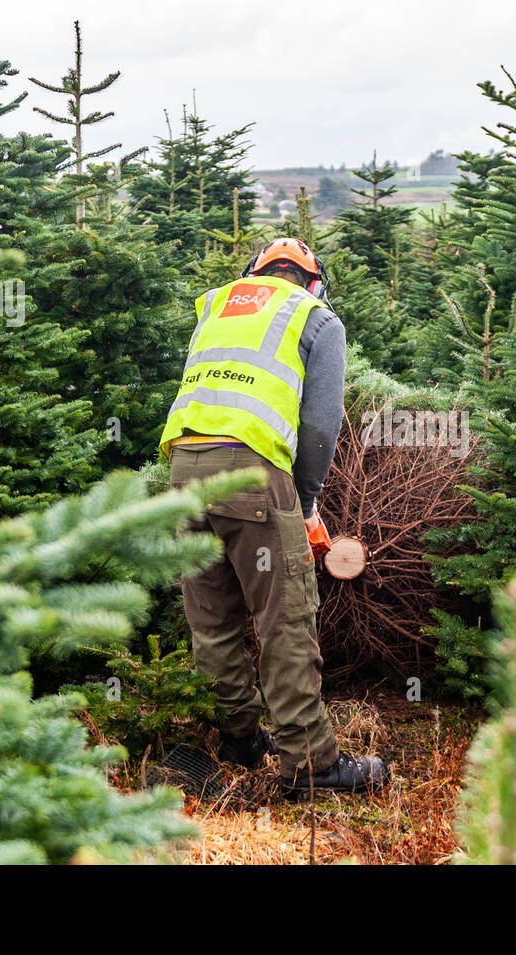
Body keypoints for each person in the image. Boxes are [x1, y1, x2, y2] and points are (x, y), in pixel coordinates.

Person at [161, 237, 391, 796]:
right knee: (285, 618)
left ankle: (237, 740)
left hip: (185, 470)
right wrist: (306, 505)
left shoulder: (216, 304)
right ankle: (313, 767)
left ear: (254, 274)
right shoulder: (317, 318)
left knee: (212, 617)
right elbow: (319, 427)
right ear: (314, 283)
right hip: (253, 472)